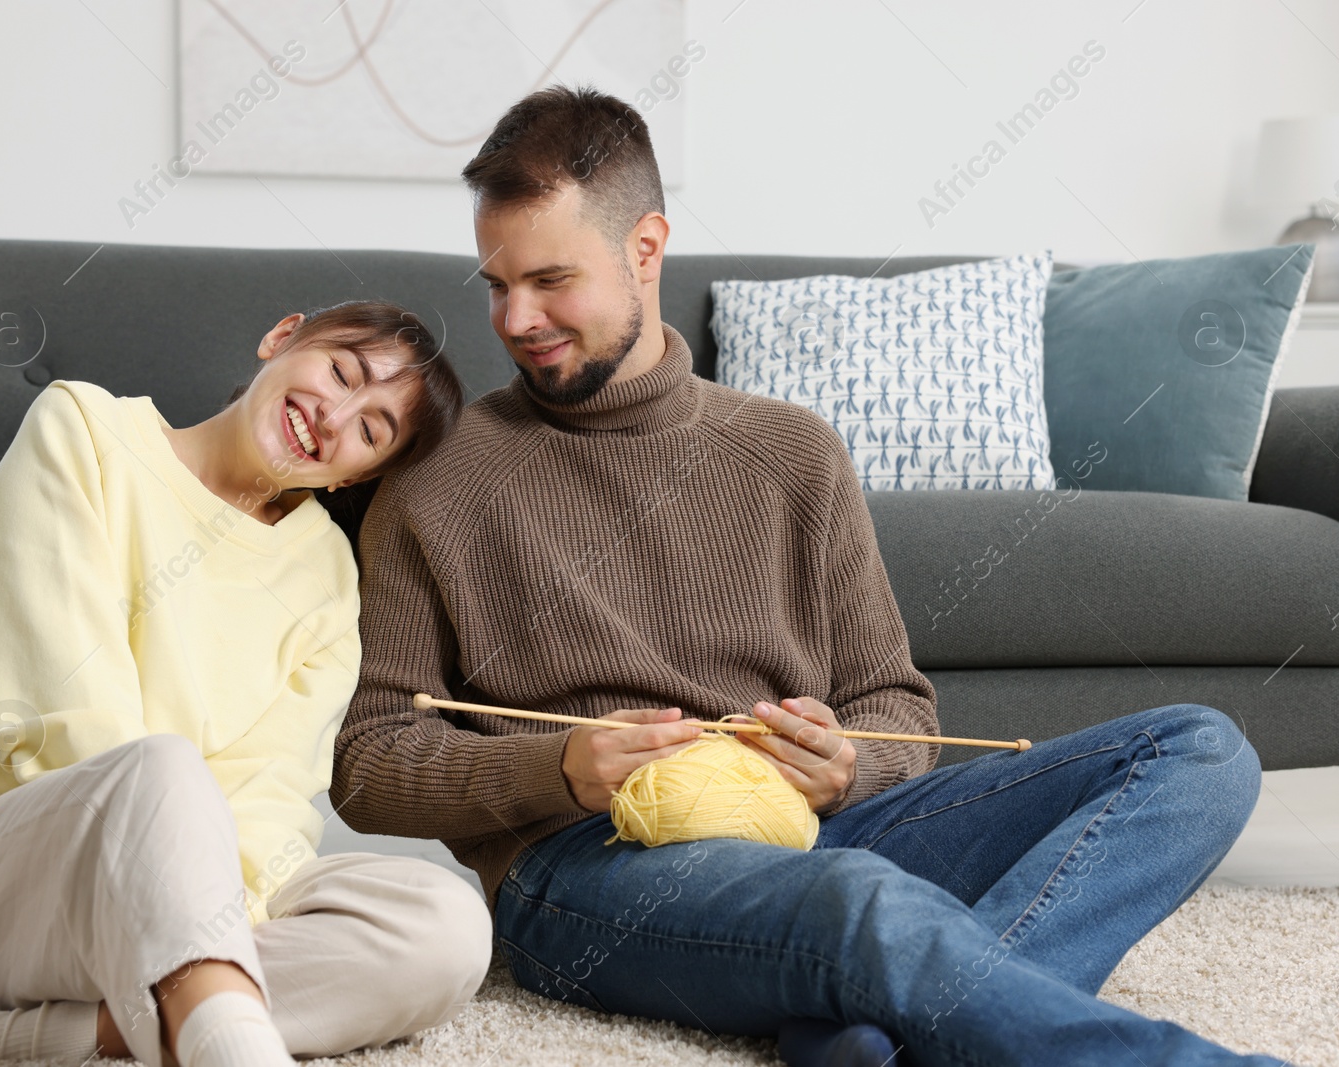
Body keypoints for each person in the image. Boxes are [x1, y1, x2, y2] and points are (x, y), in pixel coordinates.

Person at [331, 88, 1290, 1066]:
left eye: (549, 279)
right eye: (496, 284)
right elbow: (367, 760)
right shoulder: (437, 474)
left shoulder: (792, 450)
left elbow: (897, 707)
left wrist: (847, 765)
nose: (515, 317)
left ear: (645, 248)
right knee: (863, 904)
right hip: (587, 867)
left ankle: (870, 1038)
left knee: (1201, 752)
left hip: (818, 826)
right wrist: (557, 768)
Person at [0, 301, 491, 1067]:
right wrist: (188, 902)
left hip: (178, 913)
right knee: (164, 768)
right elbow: (60, 699)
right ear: (281, 336)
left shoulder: (329, 578)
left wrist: (208, 917)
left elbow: (268, 796)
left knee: (446, 922)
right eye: (340, 371)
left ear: (358, 476)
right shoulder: (83, 429)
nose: (333, 417)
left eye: (370, 431)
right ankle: (227, 1041)